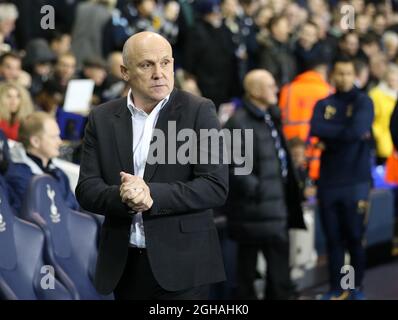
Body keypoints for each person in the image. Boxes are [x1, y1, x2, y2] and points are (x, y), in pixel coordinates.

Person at [75, 31, 228, 300]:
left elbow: (214, 186)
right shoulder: (101, 117)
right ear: (125, 71)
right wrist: (123, 196)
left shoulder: (199, 110)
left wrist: (150, 195)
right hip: (124, 264)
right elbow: (87, 189)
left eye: (165, 63)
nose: (159, 73)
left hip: (184, 265)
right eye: (147, 65)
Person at [224, 69, 305, 300]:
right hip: (252, 212)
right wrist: (259, 191)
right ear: (255, 91)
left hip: (276, 208)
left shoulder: (271, 115)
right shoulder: (238, 123)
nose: (276, 89)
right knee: (246, 277)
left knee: (279, 277)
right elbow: (235, 168)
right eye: (270, 86)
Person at [310, 56, 374, 300]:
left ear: (355, 75)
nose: (343, 78)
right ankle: (337, 289)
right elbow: (316, 128)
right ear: (332, 75)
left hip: (356, 181)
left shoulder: (363, 102)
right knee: (333, 239)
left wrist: (334, 133)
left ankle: (355, 287)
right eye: (339, 73)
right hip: (328, 182)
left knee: (354, 237)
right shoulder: (323, 103)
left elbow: (355, 131)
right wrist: (344, 131)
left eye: (348, 73)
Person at [5, 111, 79, 214]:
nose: (60, 142)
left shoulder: (59, 174)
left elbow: (75, 209)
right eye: (54, 137)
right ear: (35, 141)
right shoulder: (16, 175)